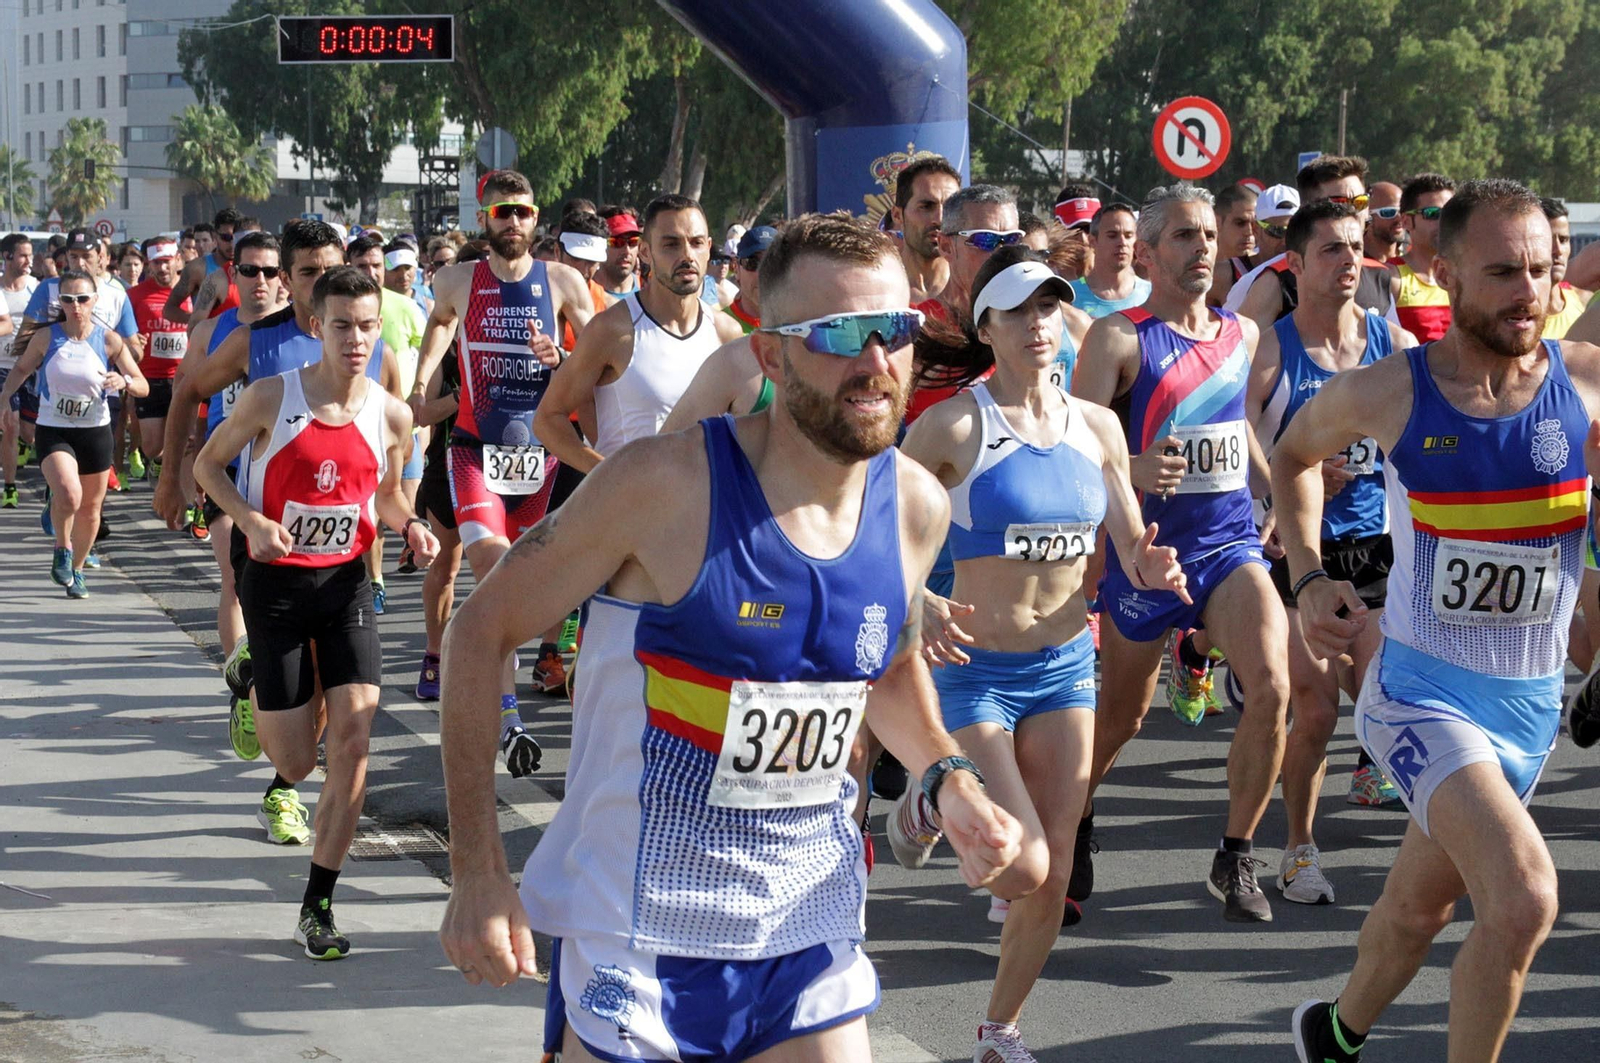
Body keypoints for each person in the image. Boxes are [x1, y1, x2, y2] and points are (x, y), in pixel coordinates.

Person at [436, 211, 1024, 1063]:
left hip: (805, 920)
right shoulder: (661, 487)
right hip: (634, 929)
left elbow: (880, 668)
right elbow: (478, 631)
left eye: (894, 331)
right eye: (840, 335)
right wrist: (479, 870)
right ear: (771, 354)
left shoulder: (916, 507)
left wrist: (950, 775)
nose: (875, 364)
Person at [1274, 178, 1592, 1063]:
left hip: (1530, 711)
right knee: (1525, 898)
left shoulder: (1588, 385)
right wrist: (1307, 580)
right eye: (1502, 272)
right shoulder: (1391, 392)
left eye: (1540, 269)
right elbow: (1293, 453)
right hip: (1418, 694)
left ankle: (1332, 1035)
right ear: (1443, 274)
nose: (1528, 291)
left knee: (1419, 909)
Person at [899, 247, 1187, 1061]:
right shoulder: (956, 424)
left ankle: (999, 1029)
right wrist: (916, 595)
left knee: (1054, 875)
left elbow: (1130, 541)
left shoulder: (1095, 425)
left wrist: (1150, 565)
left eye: (1051, 308)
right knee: (1019, 865)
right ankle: (928, 805)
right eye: (1021, 310)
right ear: (987, 326)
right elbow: (877, 516)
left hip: (1064, 667)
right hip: (976, 672)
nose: (1040, 325)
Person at [195, 266, 439, 960]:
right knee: (297, 763)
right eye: (342, 325)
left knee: (355, 745)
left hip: (345, 588)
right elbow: (208, 468)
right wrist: (250, 520)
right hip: (272, 586)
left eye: (368, 326)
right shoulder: (274, 397)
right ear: (318, 326)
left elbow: (385, 496)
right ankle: (251, 686)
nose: (357, 339)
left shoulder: (390, 413)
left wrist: (412, 525)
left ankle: (318, 904)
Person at [1071, 184, 1289, 923]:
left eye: (1209, 236)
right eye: (1186, 238)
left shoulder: (1242, 334)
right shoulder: (1118, 339)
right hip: (1145, 550)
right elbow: (1075, 442)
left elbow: (1242, 433)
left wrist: (1282, 496)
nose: (1203, 250)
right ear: (1151, 251)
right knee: (1121, 718)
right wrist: (1131, 468)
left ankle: (1236, 852)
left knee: (1272, 685)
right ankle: (1076, 815)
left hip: (1228, 544)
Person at [1246, 201, 1419, 904]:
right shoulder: (1270, 346)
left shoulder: (1388, 339)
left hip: (1378, 548)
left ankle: (1428, 853)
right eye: (1331, 251)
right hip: (1301, 550)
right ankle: (1297, 849)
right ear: (1295, 264)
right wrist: (1290, 472)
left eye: (1355, 249)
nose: (1349, 261)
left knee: (1391, 700)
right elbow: (1245, 438)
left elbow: (1418, 434)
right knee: (1314, 709)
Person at [409, 168, 594, 734]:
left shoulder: (563, 282)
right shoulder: (459, 280)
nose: (512, 221)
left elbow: (597, 361)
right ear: (483, 219)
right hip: (473, 448)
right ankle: (507, 709)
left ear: (536, 219)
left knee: (527, 570)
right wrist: (420, 388)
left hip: (540, 454)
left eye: (521, 211)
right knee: (491, 563)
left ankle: (498, 658)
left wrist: (559, 358)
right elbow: (440, 325)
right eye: (500, 212)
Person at [166, 231, 289, 755]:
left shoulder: (303, 329)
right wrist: (176, 474)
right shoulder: (213, 331)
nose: (259, 281)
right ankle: (243, 674)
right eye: (249, 271)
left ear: (282, 275)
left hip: (284, 477)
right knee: (234, 576)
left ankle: (258, 666)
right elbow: (186, 395)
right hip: (226, 472)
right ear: (231, 276)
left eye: (268, 271)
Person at [535, 193, 741, 471]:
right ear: (645, 252)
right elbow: (548, 420)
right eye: (671, 244)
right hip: (629, 510)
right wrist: (608, 474)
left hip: (703, 508)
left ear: (708, 248)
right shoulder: (612, 330)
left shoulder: (726, 332)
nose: (687, 255)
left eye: (696, 243)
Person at [0, 270, 147, 598]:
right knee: (69, 493)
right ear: (60, 302)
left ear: (95, 300)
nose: (76, 306)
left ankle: (77, 569)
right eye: (67, 299)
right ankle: (62, 549)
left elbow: (142, 384)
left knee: (91, 509)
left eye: (82, 299)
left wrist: (124, 382)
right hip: (55, 430)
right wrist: (3, 400)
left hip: (95, 432)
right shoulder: (47, 337)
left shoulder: (109, 339)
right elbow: (22, 368)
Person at [126, 239, 191, 491]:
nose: (162, 268)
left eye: (166, 262)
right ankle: (159, 461)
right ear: (148, 265)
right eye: (157, 264)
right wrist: (132, 340)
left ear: (177, 261)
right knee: (153, 446)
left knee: (186, 440)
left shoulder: (193, 292)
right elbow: (120, 333)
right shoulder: (134, 295)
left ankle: (185, 497)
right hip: (150, 377)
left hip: (184, 377)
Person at [891, 154, 963, 305]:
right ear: (898, 215)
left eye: (950, 207)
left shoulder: (972, 290)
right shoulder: (877, 289)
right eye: (926, 207)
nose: (940, 219)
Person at [0, 234, 39, 508]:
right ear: (7, 257)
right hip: (3, 367)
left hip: (33, 368)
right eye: (23, 255)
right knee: (10, 427)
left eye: (30, 255)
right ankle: (10, 487)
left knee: (31, 433)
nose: (28, 260)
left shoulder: (36, 289)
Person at [1394, 173, 1457, 342]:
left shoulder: (1467, 276)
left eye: (1450, 213)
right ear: (1406, 221)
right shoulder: (1389, 277)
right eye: (1433, 213)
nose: (1444, 221)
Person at [1069, 204, 1151, 318]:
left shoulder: (1152, 295)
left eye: (1128, 236)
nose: (1122, 242)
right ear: (1093, 241)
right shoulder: (1070, 296)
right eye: (1112, 236)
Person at [164, 209, 242, 325]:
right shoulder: (198, 268)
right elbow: (169, 310)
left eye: (235, 238)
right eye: (226, 237)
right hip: (209, 341)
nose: (231, 244)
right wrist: (200, 321)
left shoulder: (252, 268)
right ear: (215, 236)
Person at [1540, 198, 1589, 340]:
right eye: (1548, 240)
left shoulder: (1585, 303)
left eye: (1563, 240)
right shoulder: (1514, 315)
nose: (1558, 250)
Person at [1209, 183, 1258, 306]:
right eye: (1240, 223)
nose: (1250, 231)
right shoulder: (1202, 270)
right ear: (1217, 221)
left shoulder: (1264, 269)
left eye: (1255, 224)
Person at [724, 226, 775, 335]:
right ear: (737, 270)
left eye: (773, 262)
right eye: (752, 263)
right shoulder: (718, 328)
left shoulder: (801, 326)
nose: (762, 272)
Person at [596, 207, 642, 301]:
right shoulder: (584, 293)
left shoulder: (647, 289)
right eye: (617, 242)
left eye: (633, 242)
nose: (627, 250)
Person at [1364, 181, 1404, 263]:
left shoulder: (1415, 264)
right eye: (1389, 212)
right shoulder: (1354, 265)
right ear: (1367, 217)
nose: (1400, 218)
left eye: (1403, 211)